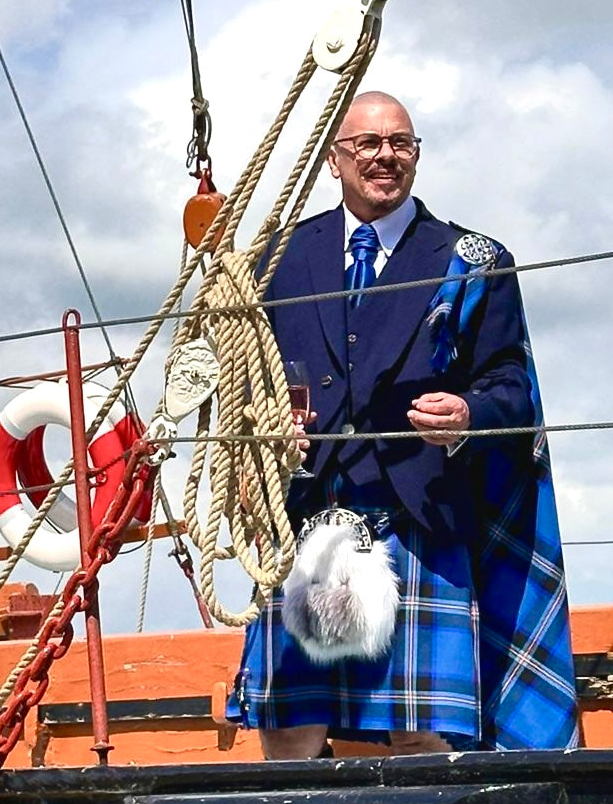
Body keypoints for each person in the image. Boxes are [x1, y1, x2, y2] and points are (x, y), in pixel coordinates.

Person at [227, 91, 578, 759]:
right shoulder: (274, 261)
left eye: (401, 143)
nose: (386, 156)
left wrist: (468, 414)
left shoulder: (472, 260)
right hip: (304, 523)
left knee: (420, 730)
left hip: (419, 521)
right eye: (368, 144)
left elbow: (512, 389)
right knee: (288, 726)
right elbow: (244, 384)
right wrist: (264, 430)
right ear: (335, 158)